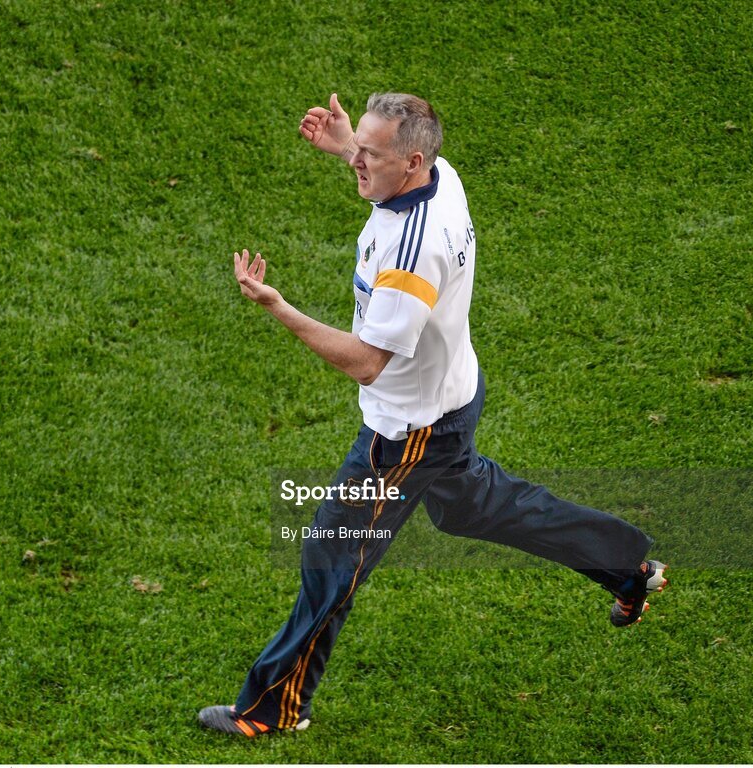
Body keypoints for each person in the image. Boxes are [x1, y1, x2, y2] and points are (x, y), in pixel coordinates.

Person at [198, 92, 668, 738]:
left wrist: (278, 306)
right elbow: (389, 176)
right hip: (452, 401)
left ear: (412, 160)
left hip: (408, 434)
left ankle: (272, 710)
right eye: (357, 146)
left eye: (370, 153)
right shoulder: (443, 179)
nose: (357, 159)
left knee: (330, 556)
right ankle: (628, 567)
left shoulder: (412, 258)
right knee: (476, 507)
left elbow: (367, 363)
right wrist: (348, 150)